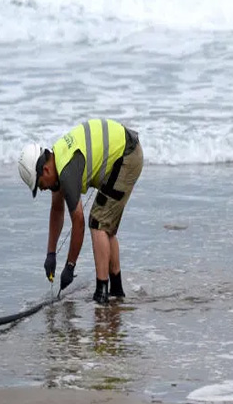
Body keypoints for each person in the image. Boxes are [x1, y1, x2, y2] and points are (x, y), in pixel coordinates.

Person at [18, 118, 143, 304]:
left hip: (127, 156)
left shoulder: (66, 171)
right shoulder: (57, 161)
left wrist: (70, 265)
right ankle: (116, 290)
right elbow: (57, 209)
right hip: (124, 154)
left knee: (98, 222)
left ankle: (102, 292)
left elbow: (78, 223)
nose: (43, 189)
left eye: (40, 185)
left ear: (45, 169)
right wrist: (50, 254)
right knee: (105, 225)